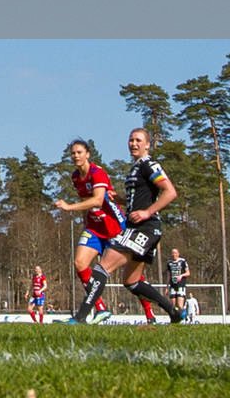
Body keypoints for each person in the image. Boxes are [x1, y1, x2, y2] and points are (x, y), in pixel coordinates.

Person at [69, 128, 182, 326]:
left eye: (138, 140)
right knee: (131, 281)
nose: (133, 144)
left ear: (147, 144)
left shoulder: (149, 165)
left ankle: (80, 317)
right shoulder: (135, 168)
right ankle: (173, 311)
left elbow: (170, 192)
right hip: (139, 227)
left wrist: (148, 212)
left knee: (103, 267)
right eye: (131, 140)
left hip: (144, 228)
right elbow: (141, 198)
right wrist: (121, 199)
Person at [52, 137, 125, 323]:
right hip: (94, 228)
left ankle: (151, 315)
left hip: (114, 227)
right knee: (79, 263)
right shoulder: (76, 177)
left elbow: (97, 200)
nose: (76, 156)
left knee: (132, 277)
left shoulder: (97, 173)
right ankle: (100, 308)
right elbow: (89, 204)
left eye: (79, 152)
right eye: (73, 153)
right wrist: (86, 221)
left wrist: (69, 207)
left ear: (87, 155)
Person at [166, 247, 190, 312]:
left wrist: (181, 276)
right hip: (172, 286)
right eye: (173, 253)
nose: (174, 254)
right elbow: (168, 276)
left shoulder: (182, 261)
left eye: (175, 253)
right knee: (173, 306)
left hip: (181, 285)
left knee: (180, 305)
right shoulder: (169, 263)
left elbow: (188, 273)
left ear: (178, 254)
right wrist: (167, 287)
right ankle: (176, 319)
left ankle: (184, 318)